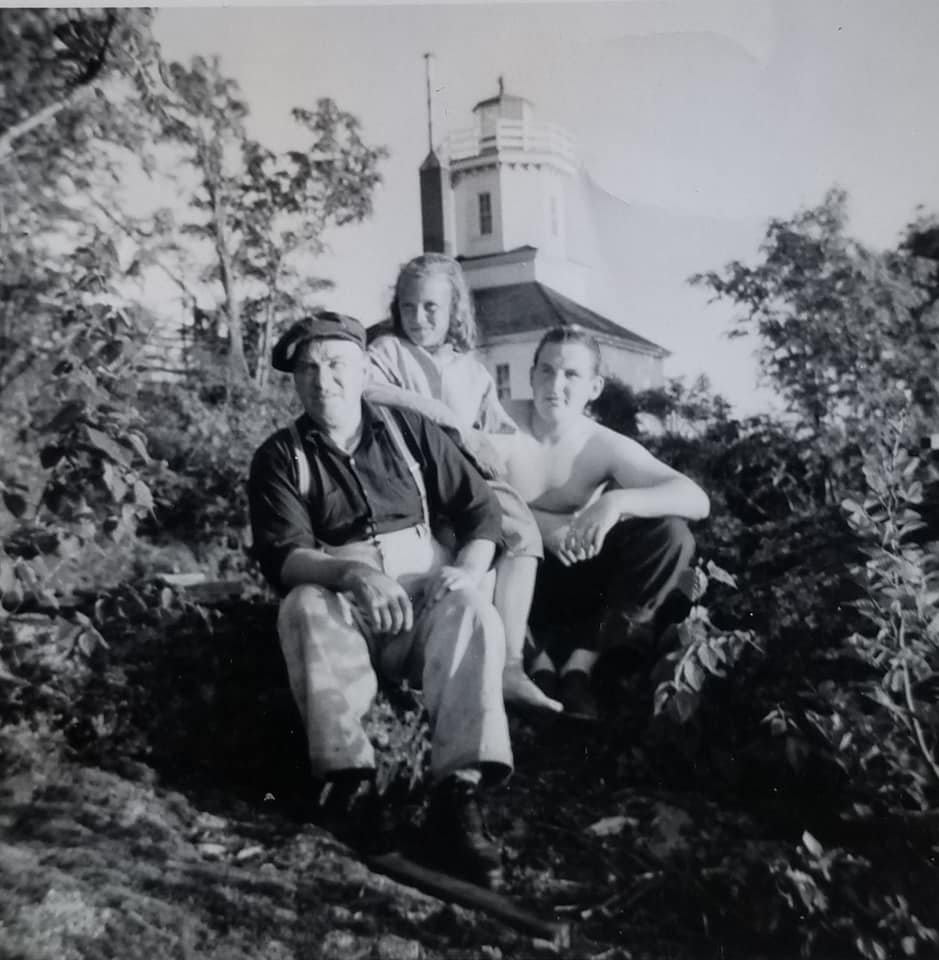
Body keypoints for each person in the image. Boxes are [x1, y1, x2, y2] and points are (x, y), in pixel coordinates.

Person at [248, 310, 513, 889]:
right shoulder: (280, 457)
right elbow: (283, 555)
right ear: (294, 381)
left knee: (474, 612)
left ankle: (457, 798)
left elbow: (482, 513)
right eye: (309, 370)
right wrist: (352, 575)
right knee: (302, 606)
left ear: (364, 367)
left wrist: (466, 570)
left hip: (425, 603)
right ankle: (352, 788)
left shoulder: (409, 432)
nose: (325, 382)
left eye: (338, 365)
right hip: (354, 612)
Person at [366, 253, 561, 715]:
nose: (418, 318)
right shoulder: (388, 351)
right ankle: (435, 672)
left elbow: (503, 436)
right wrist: (448, 420)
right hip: (406, 478)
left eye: (430, 307)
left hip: (463, 486)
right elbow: (368, 389)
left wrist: (481, 440)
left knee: (518, 530)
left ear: (455, 309)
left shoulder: (471, 370)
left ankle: (511, 664)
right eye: (408, 306)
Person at [492, 324, 710, 720]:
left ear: (594, 388)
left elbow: (695, 498)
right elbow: (461, 488)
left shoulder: (600, 443)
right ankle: (534, 664)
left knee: (671, 534)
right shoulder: (502, 423)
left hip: (580, 577)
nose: (555, 385)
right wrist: (539, 527)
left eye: (571, 374)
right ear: (531, 375)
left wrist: (617, 502)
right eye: (546, 370)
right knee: (478, 534)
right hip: (515, 575)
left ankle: (582, 666)